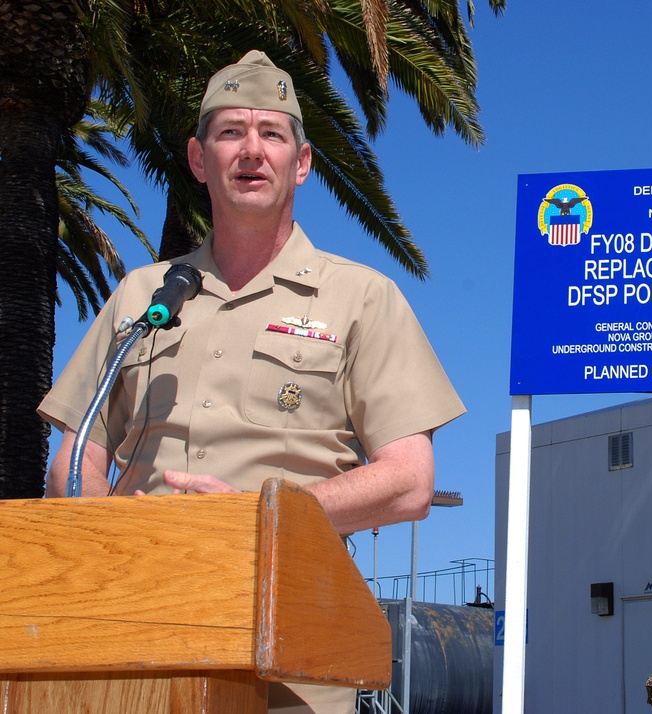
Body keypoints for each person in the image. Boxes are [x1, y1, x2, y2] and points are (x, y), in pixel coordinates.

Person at [38, 50, 465, 713]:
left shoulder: (362, 299)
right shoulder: (140, 295)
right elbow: (73, 461)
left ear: (301, 163)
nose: (251, 150)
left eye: (272, 134)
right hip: (136, 632)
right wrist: (119, 530)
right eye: (231, 131)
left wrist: (259, 520)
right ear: (198, 159)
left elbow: (409, 479)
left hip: (288, 649)